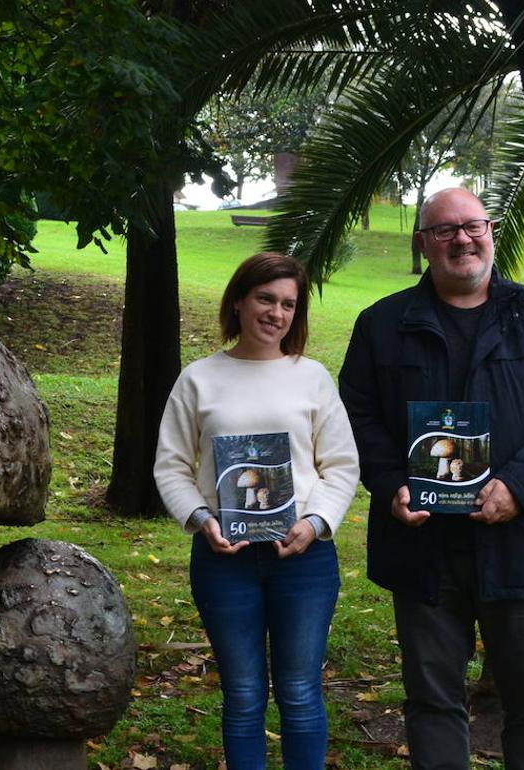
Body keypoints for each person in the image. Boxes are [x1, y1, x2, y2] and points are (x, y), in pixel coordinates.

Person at [339, 187, 524, 769]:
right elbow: (357, 414)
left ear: (491, 231)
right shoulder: (382, 324)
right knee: (431, 702)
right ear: (424, 243)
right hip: (422, 544)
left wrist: (519, 489)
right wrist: (389, 480)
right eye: (445, 230)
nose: (462, 239)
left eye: (472, 226)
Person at [154, 252, 359, 769]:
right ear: (240, 301)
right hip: (225, 561)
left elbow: (341, 465)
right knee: (243, 697)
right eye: (266, 299)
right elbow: (172, 467)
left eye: (289, 304)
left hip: (303, 562)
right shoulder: (198, 379)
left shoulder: (311, 377)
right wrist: (203, 520)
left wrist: (315, 524)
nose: (276, 313)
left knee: (300, 693)